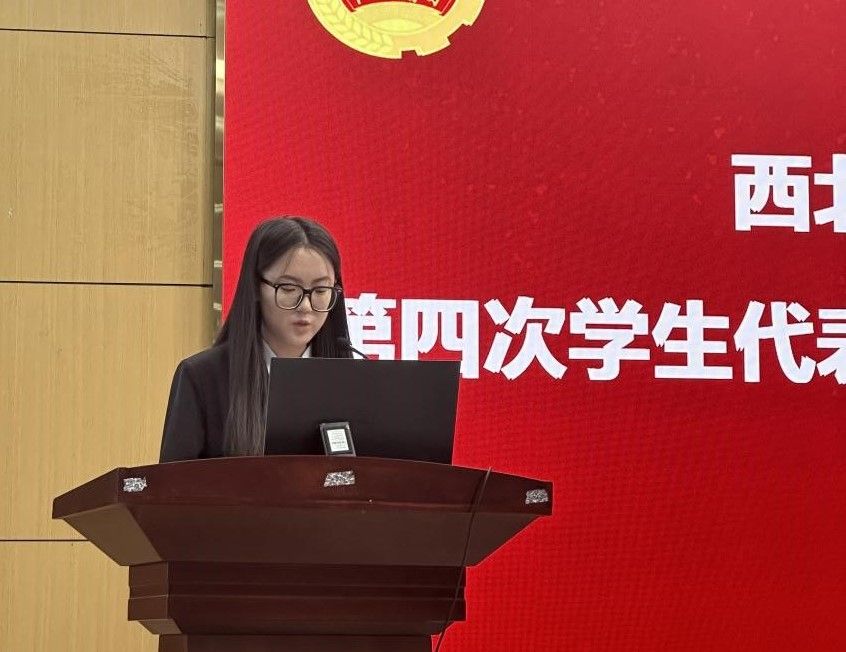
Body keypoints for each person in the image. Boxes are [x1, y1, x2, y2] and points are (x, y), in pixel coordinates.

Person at [159, 216, 353, 462]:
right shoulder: (201, 378)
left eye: (321, 290)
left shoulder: (348, 381)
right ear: (256, 287)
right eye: (289, 289)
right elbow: (174, 482)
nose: (305, 306)